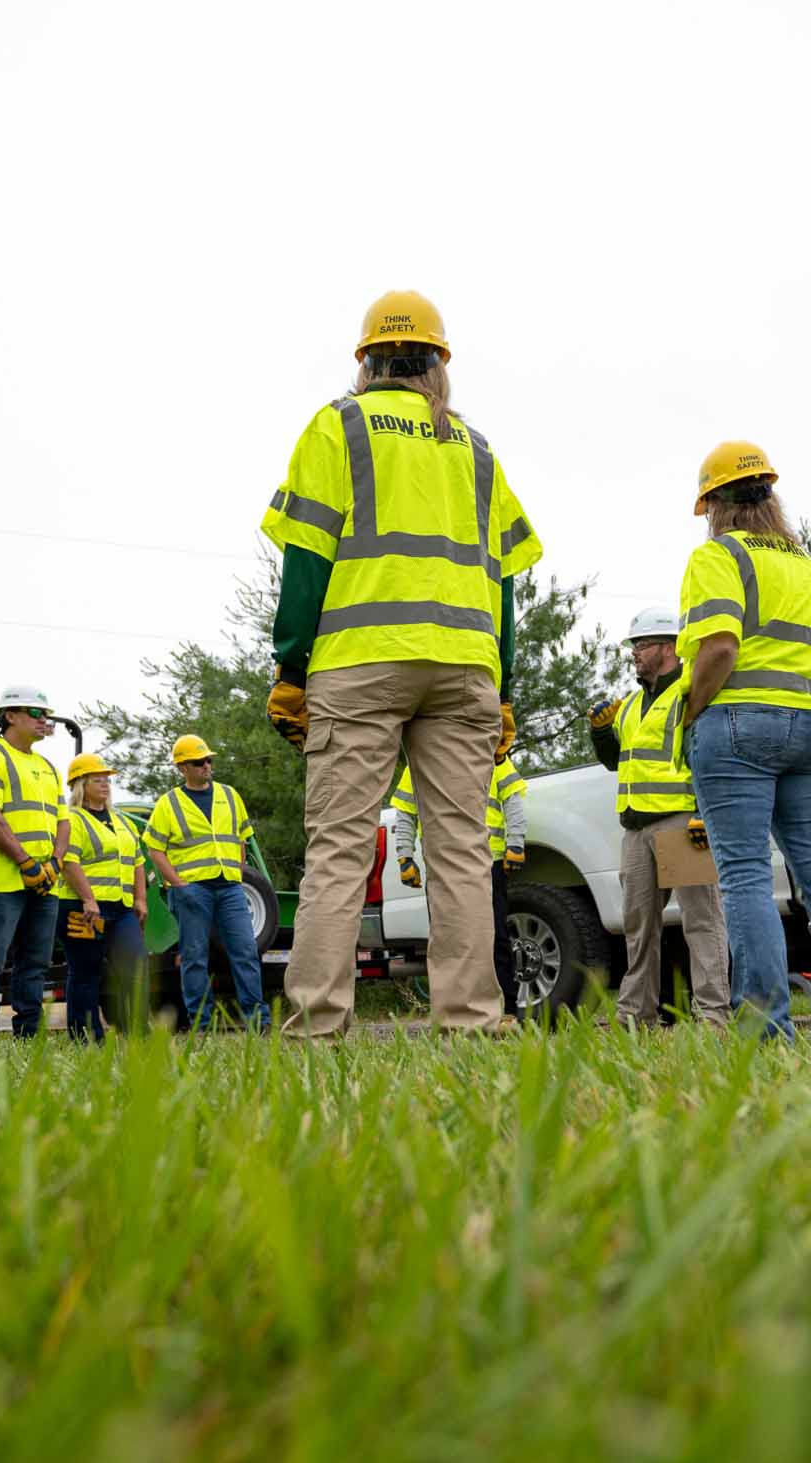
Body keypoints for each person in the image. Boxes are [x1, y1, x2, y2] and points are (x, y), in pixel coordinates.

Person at [261, 290, 543, 1038]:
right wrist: (502, 687)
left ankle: (320, 1022)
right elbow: (504, 584)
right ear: (436, 365)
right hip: (465, 668)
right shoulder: (477, 450)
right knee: (459, 850)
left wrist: (292, 666)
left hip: (360, 662)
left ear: (368, 361)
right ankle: (476, 1017)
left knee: (341, 847)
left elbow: (306, 562)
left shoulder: (338, 426)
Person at [677, 442, 811, 1037]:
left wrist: (691, 711)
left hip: (737, 728)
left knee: (744, 876)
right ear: (769, 497)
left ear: (713, 504)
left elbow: (719, 647)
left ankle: (765, 1028)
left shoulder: (718, 556)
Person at [588, 606, 730, 1027]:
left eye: (642, 645)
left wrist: (704, 814)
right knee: (638, 928)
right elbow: (616, 761)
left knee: (702, 921)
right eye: (633, 646)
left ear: (668, 648)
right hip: (635, 829)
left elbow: (710, 755)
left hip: (681, 822)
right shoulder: (631, 705)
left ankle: (714, 1017)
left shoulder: (691, 690)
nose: (634, 653)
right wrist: (599, 732)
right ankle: (636, 1015)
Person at [0, 686, 67, 1041]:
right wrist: (25, 862)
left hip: (44, 879)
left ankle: (28, 1033)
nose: (45, 721)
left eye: (47, 715)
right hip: (3, 879)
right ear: (10, 716)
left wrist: (54, 862)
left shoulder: (47, 768)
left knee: (35, 962)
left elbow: (63, 821)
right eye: (37, 714)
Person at [139, 735, 267, 1033]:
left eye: (209, 760)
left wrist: (237, 870)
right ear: (183, 768)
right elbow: (154, 849)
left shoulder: (229, 795)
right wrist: (179, 885)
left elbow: (241, 839)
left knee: (246, 952)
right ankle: (202, 1024)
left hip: (230, 887)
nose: (207, 766)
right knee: (194, 958)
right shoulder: (168, 804)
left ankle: (258, 1022)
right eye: (199, 762)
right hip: (192, 890)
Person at [391, 755, 527, 1017]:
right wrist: (404, 856)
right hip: (443, 867)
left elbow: (513, 800)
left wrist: (516, 843)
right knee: (446, 941)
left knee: (494, 937)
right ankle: (451, 1012)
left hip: (488, 862)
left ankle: (507, 1010)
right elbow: (406, 812)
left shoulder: (493, 754)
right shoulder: (421, 759)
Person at [58, 752, 149, 1041]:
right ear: (80, 784)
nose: (106, 785)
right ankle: (85, 1036)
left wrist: (141, 899)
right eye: (98, 780)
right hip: (84, 909)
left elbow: (137, 861)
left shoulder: (122, 821)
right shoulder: (72, 820)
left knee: (135, 967)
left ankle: (137, 1032)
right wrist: (88, 899)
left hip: (121, 910)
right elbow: (69, 862)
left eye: (107, 780)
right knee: (86, 971)